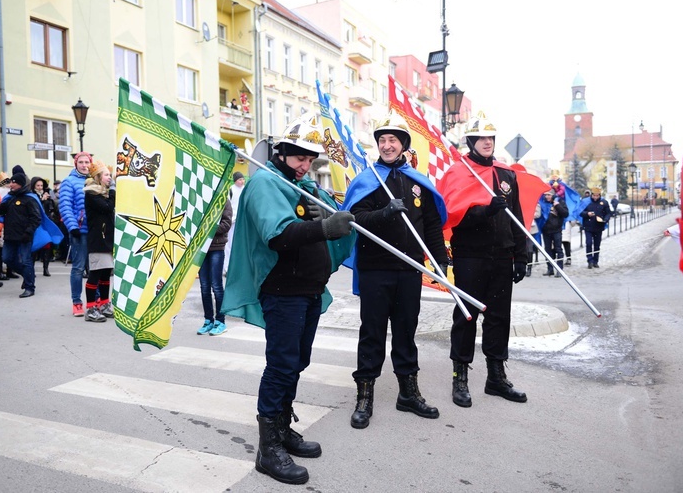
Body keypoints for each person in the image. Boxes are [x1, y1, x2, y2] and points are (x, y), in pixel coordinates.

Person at [221, 112, 355, 485]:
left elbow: (338, 217)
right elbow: (278, 236)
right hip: (283, 291)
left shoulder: (301, 184)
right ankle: (268, 449)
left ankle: (282, 428)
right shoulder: (265, 182)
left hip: (308, 289)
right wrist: (324, 227)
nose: (305, 166)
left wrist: (340, 217)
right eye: (299, 158)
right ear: (281, 153)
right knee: (281, 366)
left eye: (311, 160)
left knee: (297, 361)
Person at [342, 112, 448, 428]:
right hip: (376, 269)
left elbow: (430, 225)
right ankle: (364, 396)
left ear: (403, 144)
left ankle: (408, 394)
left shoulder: (417, 181)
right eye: (382, 140)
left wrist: (439, 259)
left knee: (405, 331)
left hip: (410, 269)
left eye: (393, 140)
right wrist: (385, 213)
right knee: (372, 332)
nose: (387, 145)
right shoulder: (367, 179)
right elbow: (354, 219)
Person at [436, 112, 528, 408]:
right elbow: (450, 214)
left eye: (490, 138)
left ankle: (496, 377)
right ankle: (459, 376)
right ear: (472, 141)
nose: (487, 142)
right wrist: (482, 211)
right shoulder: (458, 172)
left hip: (502, 255)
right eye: (481, 138)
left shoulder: (506, 175)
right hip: (470, 255)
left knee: (499, 318)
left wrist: (521, 255)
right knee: (467, 316)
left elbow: (518, 218)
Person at [0, 172, 41, 298]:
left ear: (20, 184)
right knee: (7, 258)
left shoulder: (30, 199)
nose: (11, 184)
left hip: (24, 235)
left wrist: (28, 232)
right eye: (11, 182)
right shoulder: (10, 198)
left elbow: (36, 218)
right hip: (10, 235)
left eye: (14, 182)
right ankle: (28, 275)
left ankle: (30, 287)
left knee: (26, 261)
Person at [59, 151, 93, 316]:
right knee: (78, 268)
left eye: (87, 162)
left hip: (95, 231)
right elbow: (65, 206)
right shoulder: (69, 182)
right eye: (81, 162)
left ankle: (95, 301)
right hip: (79, 231)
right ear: (76, 164)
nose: (85, 165)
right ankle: (77, 302)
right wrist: (73, 227)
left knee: (95, 268)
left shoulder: (95, 180)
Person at [83, 161, 116, 322]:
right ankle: (90, 308)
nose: (109, 178)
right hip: (97, 239)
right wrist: (113, 192)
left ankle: (104, 304)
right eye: (106, 175)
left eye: (110, 175)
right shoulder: (91, 193)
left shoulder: (105, 192)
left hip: (107, 239)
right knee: (95, 274)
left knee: (105, 274)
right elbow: (107, 207)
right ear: (98, 177)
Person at [197, 199, 232, 335]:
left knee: (216, 286)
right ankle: (208, 320)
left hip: (217, 248)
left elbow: (226, 224)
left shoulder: (224, 201)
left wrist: (207, 228)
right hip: (201, 249)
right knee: (204, 287)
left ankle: (221, 321)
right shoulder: (201, 199)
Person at [538, 188, 569, 277]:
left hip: (556, 230)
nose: (547, 196)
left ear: (553, 195)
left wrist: (557, 206)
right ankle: (550, 269)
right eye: (546, 195)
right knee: (547, 250)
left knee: (558, 249)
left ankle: (559, 270)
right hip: (546, 230)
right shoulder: (542, 202)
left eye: (549, 195)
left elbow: (566, 213)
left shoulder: (559, 201)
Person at [579, 187, 611, 269]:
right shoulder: (586, 202)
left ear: (599, 195)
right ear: (591, 195)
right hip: (588, 226)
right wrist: (587, 214)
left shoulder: (604, 202)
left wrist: (605, 220)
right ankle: (589, 261)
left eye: (597, 195)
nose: (595, 197)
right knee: (589, 243)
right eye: (594, 195)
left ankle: (595, 261)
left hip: (598, 226)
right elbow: (580, 212)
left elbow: (608, 213)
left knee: (597, 245)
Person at [30, 176, 56, 277]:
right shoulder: (31, 195)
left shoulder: (47, 195)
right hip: (35, 224)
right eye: (38, 185)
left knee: (47, 246)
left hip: (45, 223)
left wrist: (48, 200)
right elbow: (35, 208)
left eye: (41, 185)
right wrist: (42, 200)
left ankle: (46, 268)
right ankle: (31, 269)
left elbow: (52, 208)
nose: (40, 187)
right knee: (35, 246)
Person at [224, 171, 245, 275]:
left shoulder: (245, 189)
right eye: (240, 179)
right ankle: (227, 268)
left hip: (242, 220)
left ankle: (239, 268)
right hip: (232, 220)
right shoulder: (231, 190)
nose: (242, 181)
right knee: (229, 244)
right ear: (235, 180)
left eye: (242, 179)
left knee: (240, 244)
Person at [526, 203, 542, 277]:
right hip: (520, 227)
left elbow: (538, 214)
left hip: (531, 228)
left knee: (529, 249)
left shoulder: (535, 203)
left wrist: (528, 213)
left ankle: (529, 268)